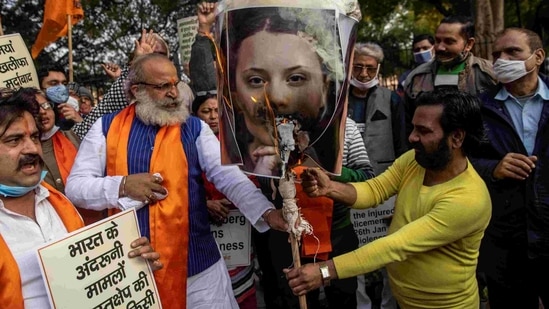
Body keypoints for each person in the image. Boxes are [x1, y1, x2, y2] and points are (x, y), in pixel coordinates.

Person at [65, 53, 289, 309]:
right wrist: (122, 185)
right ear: (137, 90)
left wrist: (268, 213)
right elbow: (76, 187)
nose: (174, 93)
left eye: (176, 83)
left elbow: (228, 177)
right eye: (163, 86)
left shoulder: (194, 128)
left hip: (199, 268)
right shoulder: (106, 128)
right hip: (135, 270)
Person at [285, 89, 491, 308]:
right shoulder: (415, 161)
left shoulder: (468, 199)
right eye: (413, 128)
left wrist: (324, 271)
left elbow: (395, 246)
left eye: (423, 131)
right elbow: (375, 190)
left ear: (456, 137)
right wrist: (330, 188)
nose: (412, 137)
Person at [0, 89, 162, 308]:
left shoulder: (56, 203)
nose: (32, 149)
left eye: (34, 137)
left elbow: (85, 278)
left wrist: (127, 266)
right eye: (14, 140)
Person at [253, 117, 374, 309]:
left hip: (338, 235)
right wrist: (280, 174)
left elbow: (367, 177)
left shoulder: (344, 125)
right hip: (289, 234)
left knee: (343, 297)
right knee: (291, 298)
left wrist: (331, 171)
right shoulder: (270, 126)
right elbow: (260, 177)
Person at [470, 27, 548, 308]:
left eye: (512, 51)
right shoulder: (479, 108)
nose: (501, 59)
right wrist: (493, 168)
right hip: (504, 237)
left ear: (538, 56)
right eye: (496, 54)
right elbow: (460, 164)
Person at [219, 6, 346, 177]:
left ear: (324, 88)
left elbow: (367, 180)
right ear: (234, 95)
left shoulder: (347, 136)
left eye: (296, 78)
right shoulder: (220, 162)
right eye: (256, 80)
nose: (277, 97)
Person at [6, 87, 104, 225]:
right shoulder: (25, 153)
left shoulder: (74, 134)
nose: (43, 112)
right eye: (35, 109)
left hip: (94, 224)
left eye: (46, 105)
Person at [402, 15, 496, 137]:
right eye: (438, 41)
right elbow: (408, 122)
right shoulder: (416, 78)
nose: (440, 47)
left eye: (449, 41)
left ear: (469, 44)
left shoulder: (489, 74)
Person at [71, 29, 170, 139]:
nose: (155, 59)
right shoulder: (127, 86)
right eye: (150, 55)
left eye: (160, 55)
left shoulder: (174, 90)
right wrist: (139, 65)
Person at [349, 42, 407, 175]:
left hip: (383, 175)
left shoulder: (391, 99)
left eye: (370, 68)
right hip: (347, 174)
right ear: (350, 67)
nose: (364, 74)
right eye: (358, 67)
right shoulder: (339, 100)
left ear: (378, 69)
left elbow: (401, 143)